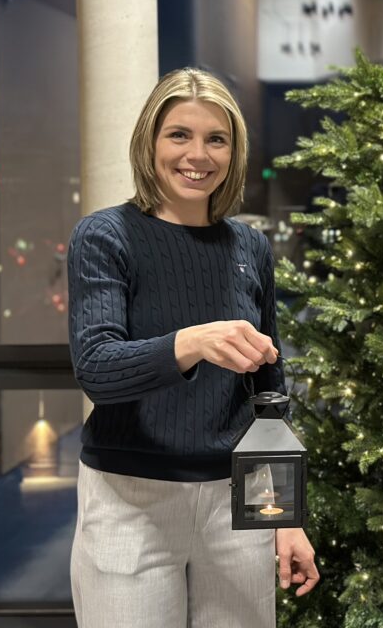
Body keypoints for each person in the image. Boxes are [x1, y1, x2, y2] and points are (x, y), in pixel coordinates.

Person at [68, 68, 318, 628]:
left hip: (237, 502)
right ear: (149, 142)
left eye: (216, 139)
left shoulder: (249, 246)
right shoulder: (105, 237)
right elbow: (97, 370)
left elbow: (269, 396)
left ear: (233, 151)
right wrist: (193, 342)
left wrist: (285, 518)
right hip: (129, 501)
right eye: (178, 134)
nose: (197, 154)